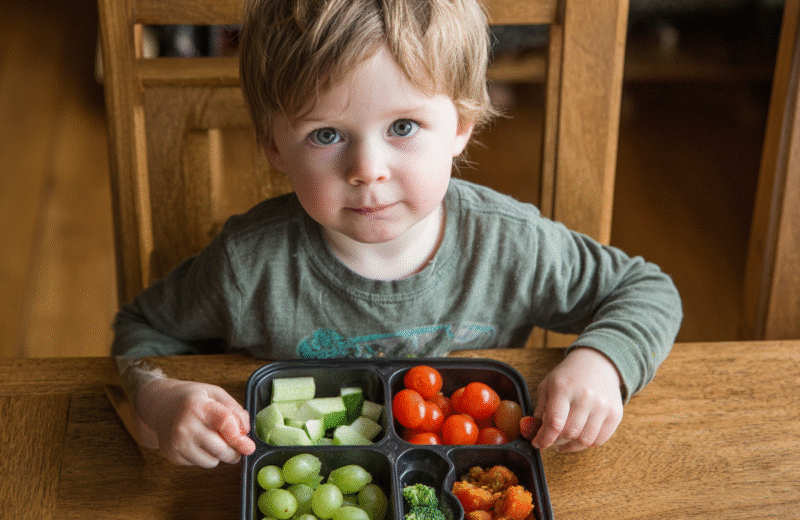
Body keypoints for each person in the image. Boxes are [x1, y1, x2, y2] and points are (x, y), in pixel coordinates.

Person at [112, 0, 682, 469]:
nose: (368, 169)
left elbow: (646, 289)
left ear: (461, 124)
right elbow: (141, 329)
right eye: (327, 134)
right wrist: (158, 397)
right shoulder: (247, 265)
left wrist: (602, 362)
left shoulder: (511, 245)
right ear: (273, 147)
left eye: (403, 127)